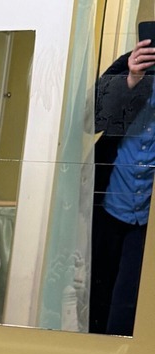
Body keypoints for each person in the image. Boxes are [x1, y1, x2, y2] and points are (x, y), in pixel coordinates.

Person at [92, 38, 155, 335]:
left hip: (147, 219)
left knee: (129, 309)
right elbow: (92, 119)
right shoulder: (131, 63)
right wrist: (131, 79)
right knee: (97, 297)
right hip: (109, 205)